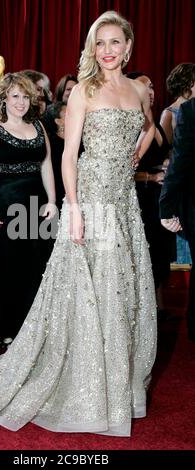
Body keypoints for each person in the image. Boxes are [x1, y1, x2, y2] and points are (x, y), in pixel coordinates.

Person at [0, 11, 157, 437]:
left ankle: (117, 385)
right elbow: (67, 155)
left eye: (115, 42)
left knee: (124, 291)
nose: (107, 51)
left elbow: (149, 127)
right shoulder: (84, 91)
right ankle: (88, 387)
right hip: (92, 201)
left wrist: (131, 160)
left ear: (128, 46)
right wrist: (74, 206)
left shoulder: (139, 89)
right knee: (92, 289)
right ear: (91, 48)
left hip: (125, 204)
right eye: (99, 43)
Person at [0, 72, 56, 345]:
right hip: (5, 212)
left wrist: (53, 201)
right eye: (15, 96)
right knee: (6, 271)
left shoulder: (39, 127)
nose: (20, 102)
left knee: (35, 268)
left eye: (26, 97)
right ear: (4, 98)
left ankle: (30, 329)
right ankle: (4, 329)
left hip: (36, 209)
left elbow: (46, 166)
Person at [126, 71, 172, 320]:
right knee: (144, 251)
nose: (151, 91)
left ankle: (159, 304)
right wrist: (151, 177)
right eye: (145, 87)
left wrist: (166, 166)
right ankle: (144, 308)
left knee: (160, 252)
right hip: (140, 196)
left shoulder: (155, 120)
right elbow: (123, 171)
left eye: (152, 86)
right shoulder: (131, 125)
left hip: (159, 197)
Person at [160, 98, 195, 343]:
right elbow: (180, 160)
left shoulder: (190, 109)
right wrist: (167, 206)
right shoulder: (190, 110)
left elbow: (180, 160)